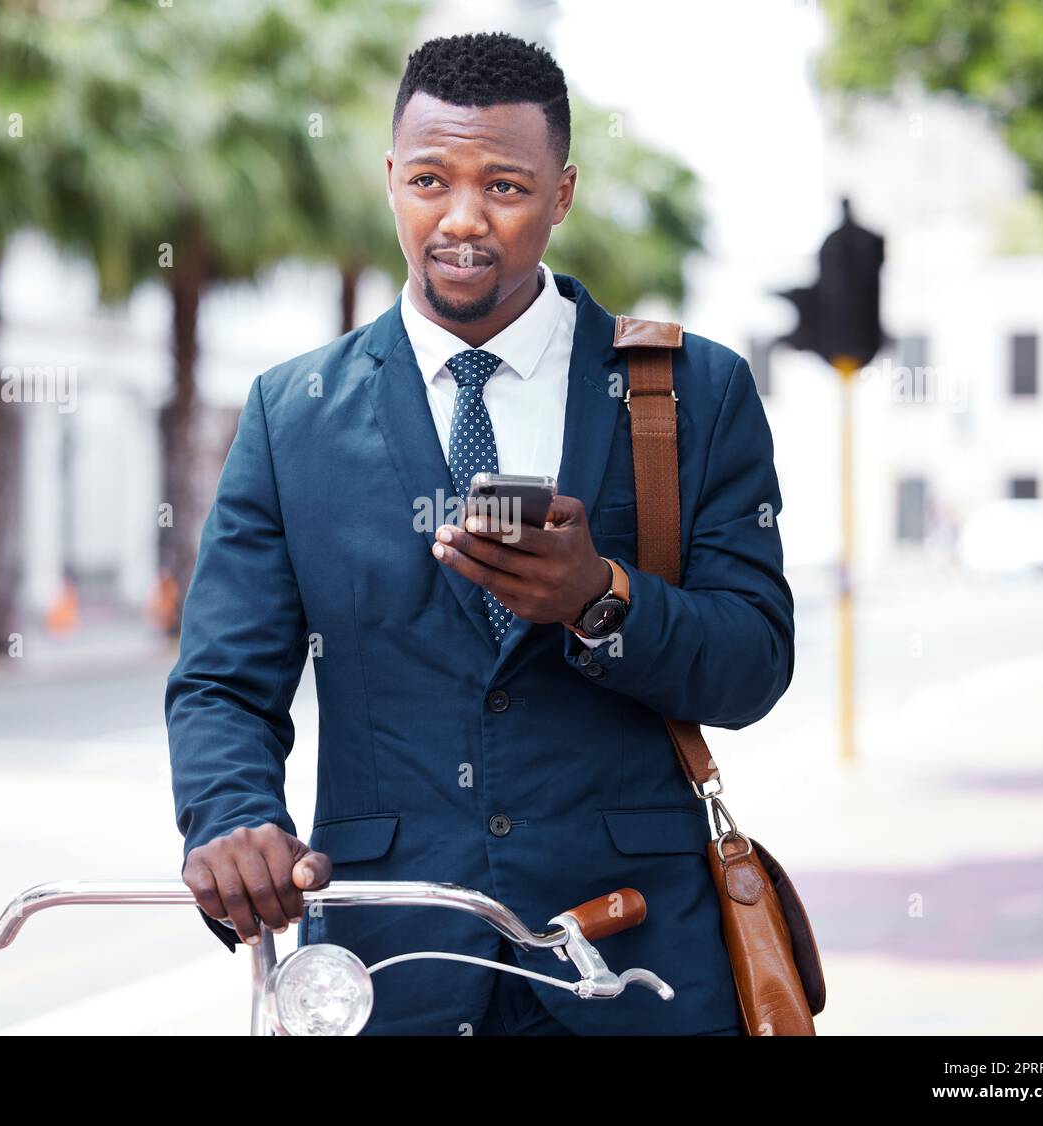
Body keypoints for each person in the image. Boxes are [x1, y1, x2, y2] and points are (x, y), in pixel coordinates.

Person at [165, 30, 794, 1036]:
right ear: (389, 181)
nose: (461, 219)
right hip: (395, 961)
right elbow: (223, 681)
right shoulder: (292, 414)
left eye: (505, 186)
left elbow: (754, 661)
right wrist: (233, 813)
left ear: (562, 192)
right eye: (428, 179)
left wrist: (600, 598)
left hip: (634, 962)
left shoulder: (688, 390)